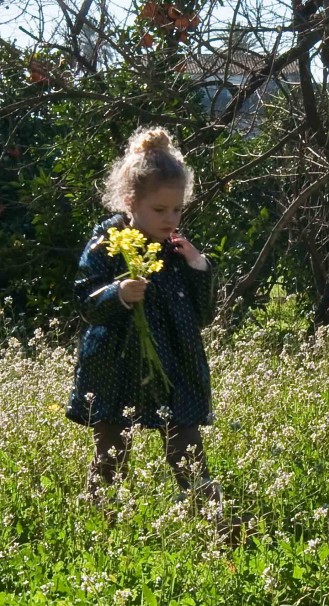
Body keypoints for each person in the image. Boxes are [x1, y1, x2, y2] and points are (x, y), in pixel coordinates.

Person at [66, 126, 220, 506]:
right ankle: (99, 525)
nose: (171, 219)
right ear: (130, 202)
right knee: (111, 455)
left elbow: (203, 315)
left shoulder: (177, 250)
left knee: (186, 449)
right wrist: (117, 294)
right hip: (115, 365)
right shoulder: (107, 243)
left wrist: (199, 266)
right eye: (160, 210)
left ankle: (215, 522)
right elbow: (84, 300)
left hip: (173, 366)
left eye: (178, 209)